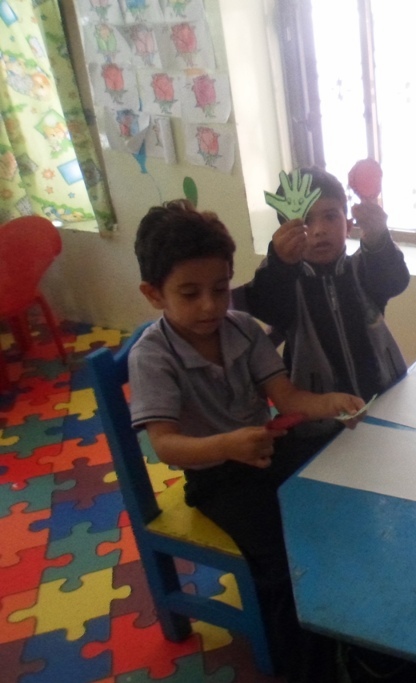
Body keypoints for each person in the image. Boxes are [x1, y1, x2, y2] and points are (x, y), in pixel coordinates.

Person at [129, 200, 366, 681]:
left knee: (339, 496)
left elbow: (286, 396)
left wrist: (330, 403)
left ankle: (348, 625)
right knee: (280, 561)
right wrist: (226, 446)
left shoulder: (241, 329)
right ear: (154, 294)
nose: (210, 306)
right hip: (217, 478)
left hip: (266, 450)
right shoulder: (152, 356)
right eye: (190, 293)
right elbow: (165, 445)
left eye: (220, 289)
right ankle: (304, 665)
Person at [240, 166, 409, 455]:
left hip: (382, 404)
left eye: (331, 216)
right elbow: (266, 305)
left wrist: (379, 238)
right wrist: (280, 263)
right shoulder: (286, 281)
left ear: (348, 223)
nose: (318, 230)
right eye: (305, 220)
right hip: (316, 424)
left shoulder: (363, 269)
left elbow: (395, 281)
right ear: (285, 231)